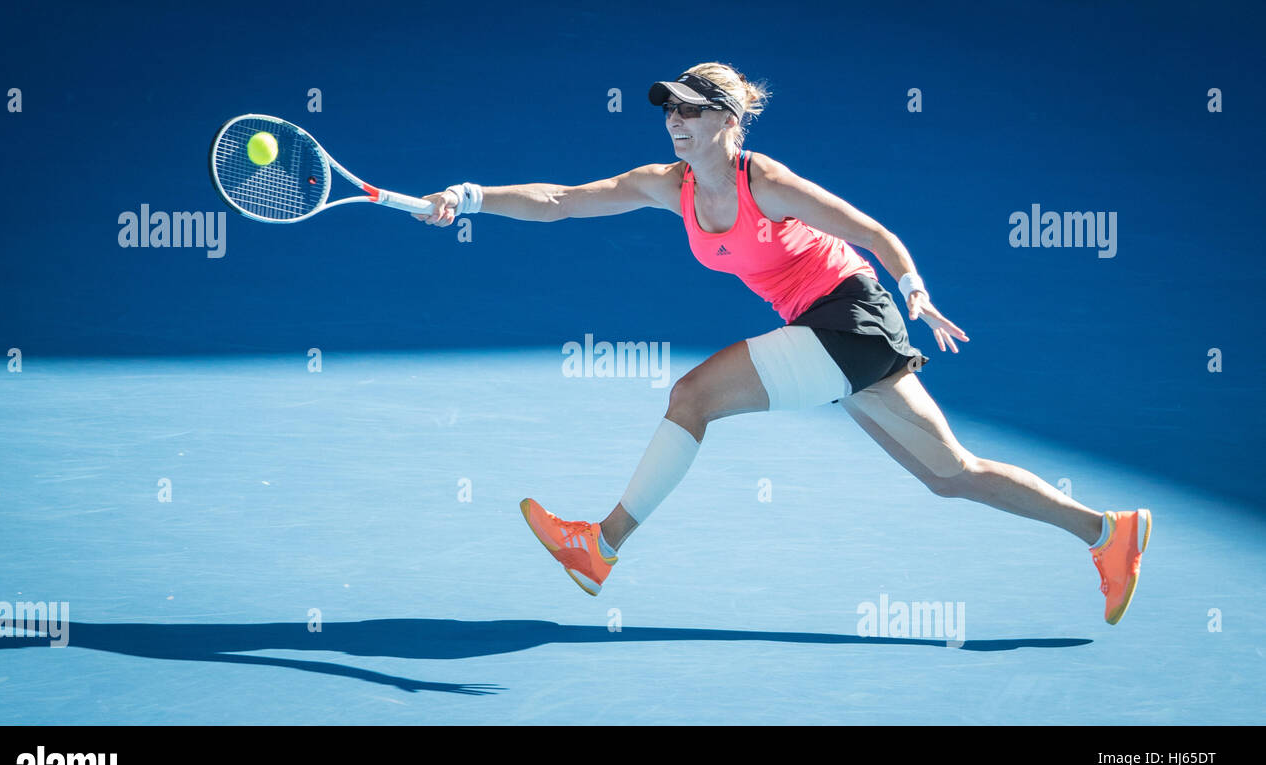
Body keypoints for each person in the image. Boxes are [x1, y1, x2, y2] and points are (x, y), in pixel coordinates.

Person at [412, 62, 1150, 624]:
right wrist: (469, 196)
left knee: (691, 396)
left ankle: (599, 545)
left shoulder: (764, 181)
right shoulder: (668, 186)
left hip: (850, 318)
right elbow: (562, 202)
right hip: (832, 330)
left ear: (728, 121)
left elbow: (870, 232)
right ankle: (1107, 532)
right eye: (670, 109)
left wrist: (915, 289)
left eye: (692, 110)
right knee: (949, 473)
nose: (675, 120)